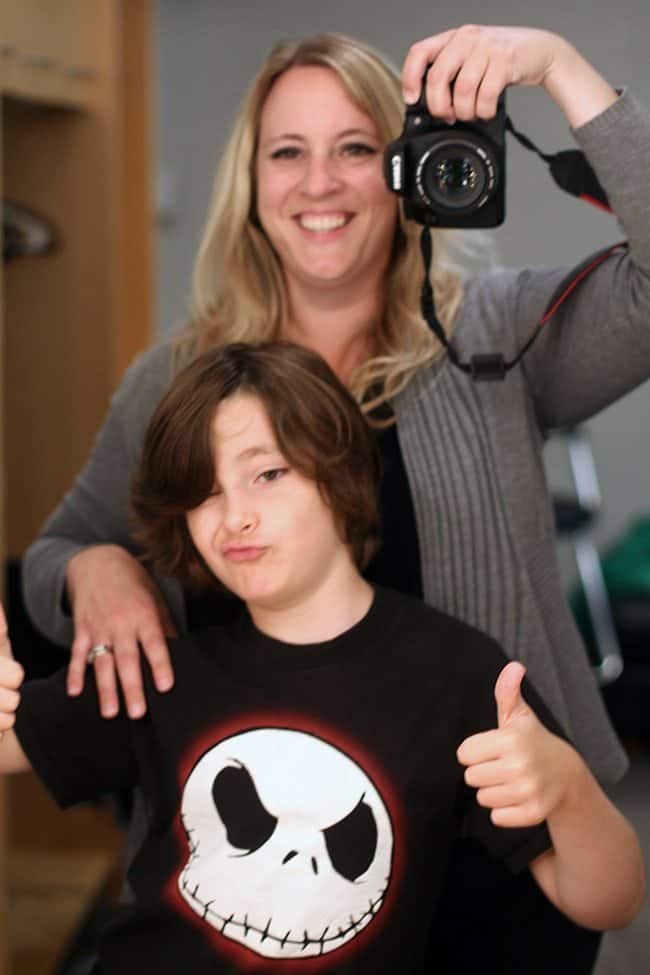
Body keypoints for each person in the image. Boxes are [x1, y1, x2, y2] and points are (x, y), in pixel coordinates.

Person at [21, 23, 650, 973]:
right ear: (253, 181)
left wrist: (556, 65)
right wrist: (95, 569)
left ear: (403, 171)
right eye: (289, 152)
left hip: (506, 847)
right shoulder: (179, 382)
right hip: (265, 879)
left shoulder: (495, 336)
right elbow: (55, 552)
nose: (320, 183)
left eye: (356, 148)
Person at [1, 343, 645, 975]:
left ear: (338, 476)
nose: (235, 516)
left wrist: (566, 786)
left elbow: (607, 901)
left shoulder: (455, 676)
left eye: (268, 474)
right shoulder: (167, 671)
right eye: (203, 492)